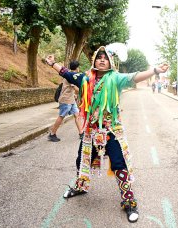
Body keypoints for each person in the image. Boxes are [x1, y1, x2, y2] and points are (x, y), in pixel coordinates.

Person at [45, 46, 169, 223]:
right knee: (82, 161)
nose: (102, 60)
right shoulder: (85, 79)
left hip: (111, 131)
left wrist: (155, 70)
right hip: (91, 132)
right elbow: (66, 74)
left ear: (110, 62)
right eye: (99, 57)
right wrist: (52, 64)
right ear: (94, 61)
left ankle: (129, 201)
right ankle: (81, 186)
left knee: (119, 163)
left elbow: (134, 76)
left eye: (105, 58)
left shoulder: (116, 79)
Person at [48, 60, 84, 142]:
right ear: (77, 68)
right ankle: (52, 134)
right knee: (61, 116)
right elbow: (77, 89)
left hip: (71, 100)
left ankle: (81, 133)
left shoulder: (69, 74)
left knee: (77, 115)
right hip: (66, 100)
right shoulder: (72, 77)